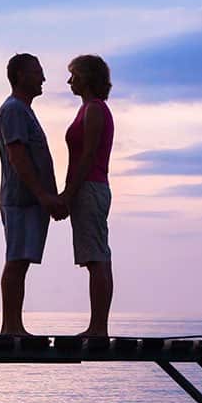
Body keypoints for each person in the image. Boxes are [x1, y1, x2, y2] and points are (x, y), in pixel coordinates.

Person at [0, 52, 64, 335]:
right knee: (16, 261)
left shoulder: (24, 110)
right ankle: (11, 326)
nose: (44, 78)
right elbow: (18, 155)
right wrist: (43, 195)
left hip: (30, 201)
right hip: (21, 200)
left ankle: (14, 325)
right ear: (21, 75)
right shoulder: (14, 110)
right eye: (38, 72)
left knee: (21, 262)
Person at [61, 53, 114, 339]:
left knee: (96, 257)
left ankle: (98, 328)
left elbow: (88, 155)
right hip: (89, 187)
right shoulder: (88, 109)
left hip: (90, 188)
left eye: (74, 75)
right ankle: (97, 326)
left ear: (87, 77)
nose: (70, 81)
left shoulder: (94, 109)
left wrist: (68, 194)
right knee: (96, 257)